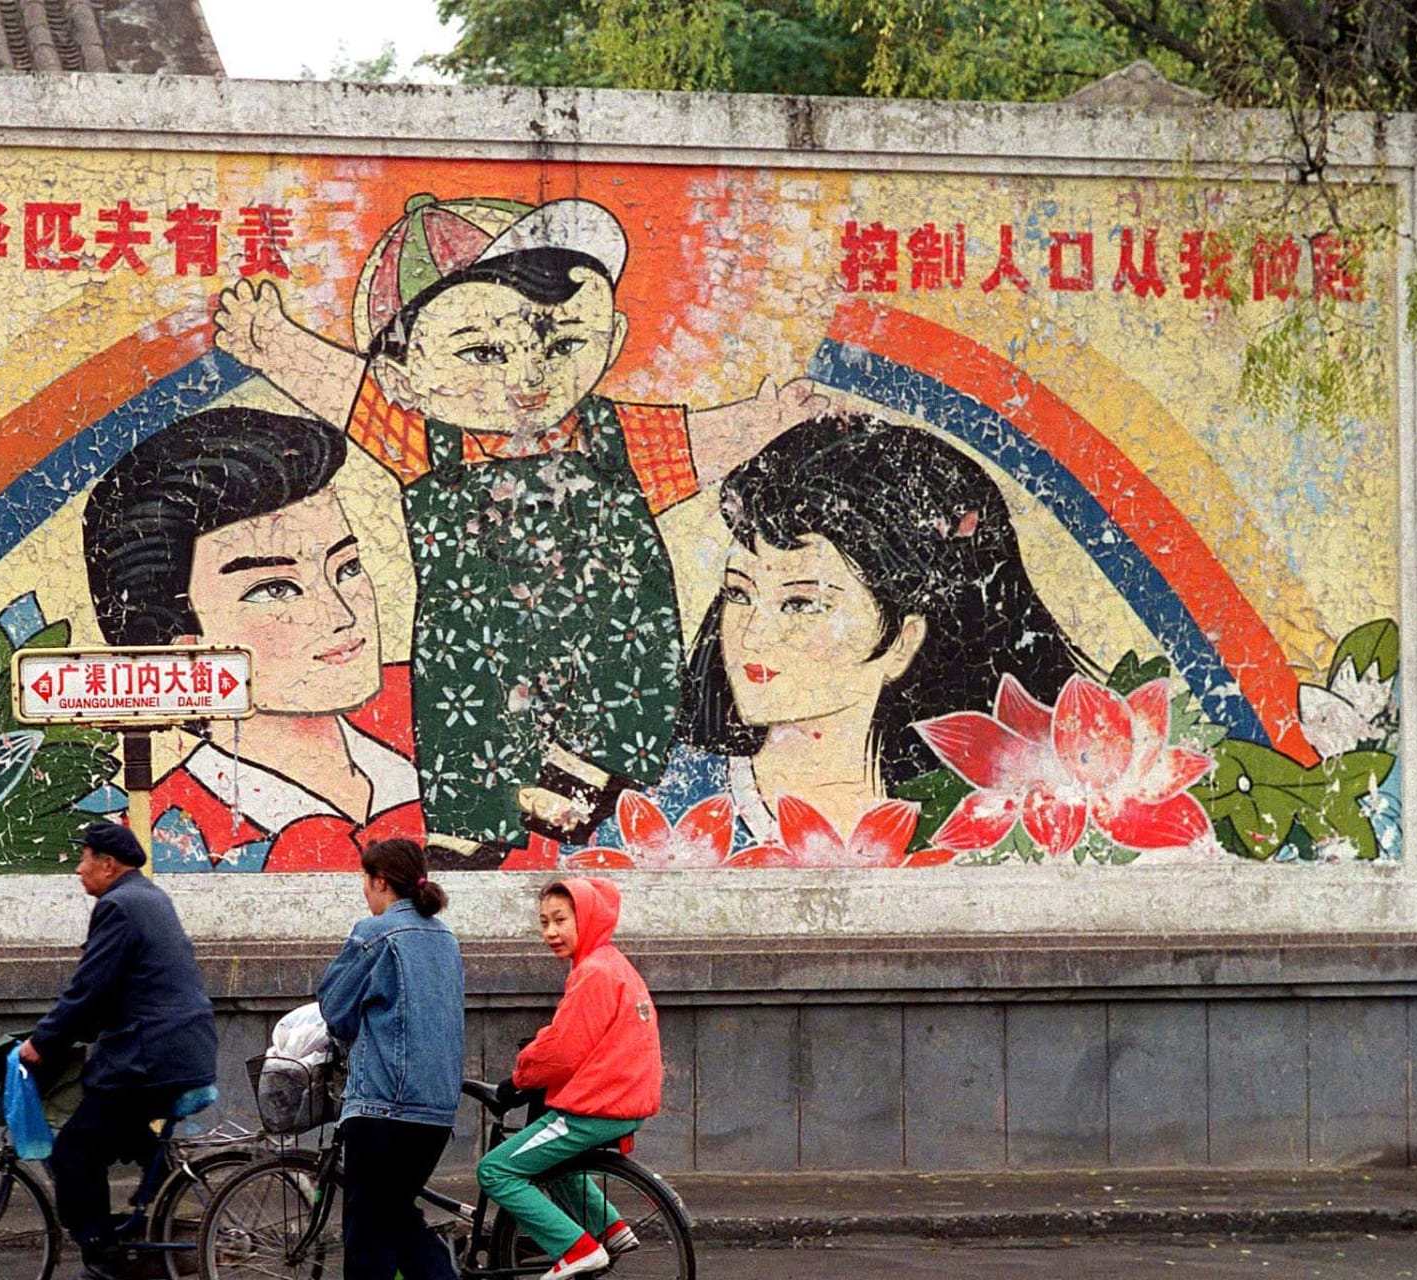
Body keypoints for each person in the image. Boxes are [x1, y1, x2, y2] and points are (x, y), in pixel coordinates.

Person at [213, 193, 830, 855]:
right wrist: (276, 348)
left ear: (611, 339)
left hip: (604, 630)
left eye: (563, 343)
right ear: (402, 378)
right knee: (465, 719)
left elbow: (695, 442)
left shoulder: (615, 437)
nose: (530, 376)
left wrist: (760, 425)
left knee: (629, 670)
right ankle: (465, 833)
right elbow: (343, 388)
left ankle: (583, 773)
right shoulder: (423, 443)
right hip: (478, 640)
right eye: (483, 353)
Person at [584, 414, 1096, 861]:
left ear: (904, 639)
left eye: (802, 603)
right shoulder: (656, 809)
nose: (753, 634)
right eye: (739, 594)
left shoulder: (1008, 818)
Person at [83, 407, 423, 872]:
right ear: (183, 648)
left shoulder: (436, 709)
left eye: (347, 568)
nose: (341, 614)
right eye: (275, 589)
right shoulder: (167, 833)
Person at [19, 821, 219, 1280]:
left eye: (85, 859)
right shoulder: (148, 898)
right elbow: (109, 994)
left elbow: (88, 989)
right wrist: (66, 1034)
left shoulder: (119, 906)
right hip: (179, 1049)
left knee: (75, 1150)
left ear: (108, 865)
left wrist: (41, 1042)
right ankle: (156, 1199)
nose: (77, 869)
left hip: (150, 1057)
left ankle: (100, 1256)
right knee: (122, 1131)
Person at [477, 878, 660, 1280]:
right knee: (550, 1165)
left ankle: (576, 1248)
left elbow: (563, 1051)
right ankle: (611, 1228)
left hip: (596, 1104)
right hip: (622, 1100)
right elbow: (570, 1034)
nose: (550, 932)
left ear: (587, 917)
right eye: (543, 922)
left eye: (560, 919)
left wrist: (520, 1076)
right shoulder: (612, 963)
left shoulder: (592, 973)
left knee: (495, 1170)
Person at [315, 838, 466, 1280]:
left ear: (381, 881)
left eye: (365, 880)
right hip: (437, 1111)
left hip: (385, 1106)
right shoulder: (446, 938)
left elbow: (335, 1007)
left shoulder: (375, 932)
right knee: (399, 1221)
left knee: (367, 1239)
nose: (364, 890)